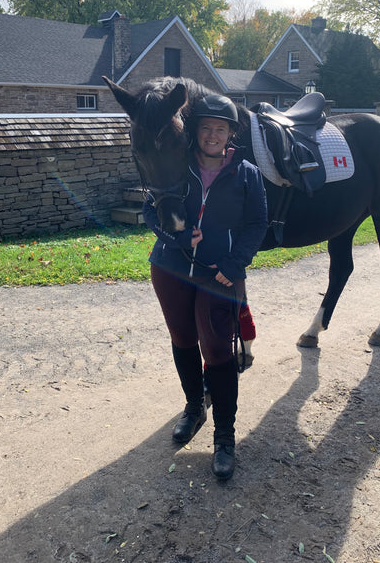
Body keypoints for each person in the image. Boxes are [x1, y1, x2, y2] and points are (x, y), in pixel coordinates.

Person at [143, 94, 268, 480]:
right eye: (206, 127)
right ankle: (194, 406)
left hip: (218, 274)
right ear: (195, 132)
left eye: (221, 128)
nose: (212, 134)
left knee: (217, 351)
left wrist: (235, 264)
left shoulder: (246, 173)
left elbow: (257, 224)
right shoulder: (178, 166)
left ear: (231, 133)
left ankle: (225, 437)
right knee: (182, 339)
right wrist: (177, 239)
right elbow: (151, 209)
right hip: (171, 267)